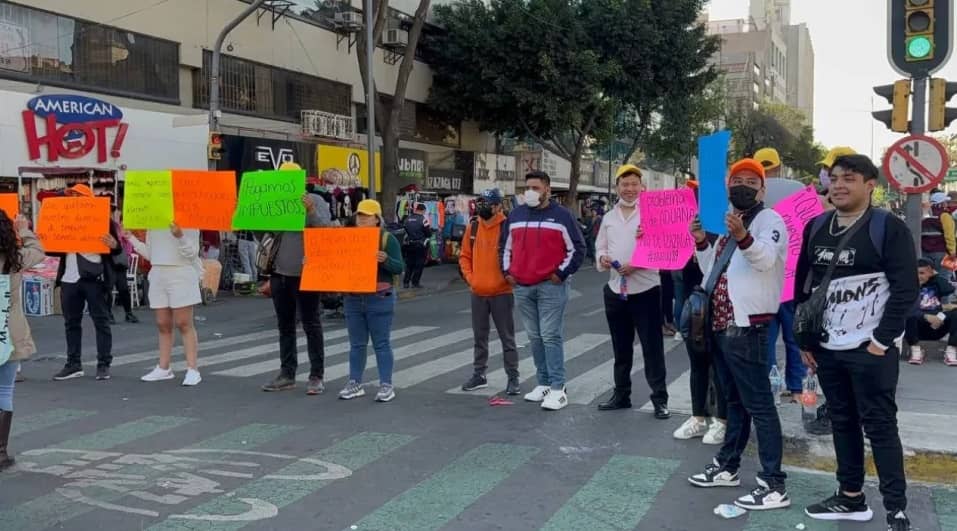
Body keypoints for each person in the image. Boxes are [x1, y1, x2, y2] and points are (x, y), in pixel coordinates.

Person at [795, 154, 918, 530]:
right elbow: (804, 286)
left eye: (849, 178)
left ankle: (896, 508)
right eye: (833, 179)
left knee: (880, 425)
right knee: (843, 422)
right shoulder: (816, 226)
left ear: (870, 185)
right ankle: (850, 497)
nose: (839, 185)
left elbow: (906, 290)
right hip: (828, 349)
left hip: (871, 350)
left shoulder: (888, 228)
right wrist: (805, 341)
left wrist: (881, 341)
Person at [687, 158, 790, 511]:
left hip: (749, 327)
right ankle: (728, 465)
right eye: (737, 180)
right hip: (720, 325)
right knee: (732, 402)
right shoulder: (732, 223)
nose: (742, 185)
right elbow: (711, 273)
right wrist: (702, 242)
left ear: (762, 189)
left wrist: (743, 236)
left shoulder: (769, 221)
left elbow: (763, 261)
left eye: (751, 180)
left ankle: (774, 483)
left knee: (760, 405)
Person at [501, 171, 586, 411]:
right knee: (534, 337)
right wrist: (507, 272)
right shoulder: (515, 215)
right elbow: (505, 247)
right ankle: (544, 382)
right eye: (527, 187)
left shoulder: (562, 216)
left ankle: (559, 388)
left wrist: (561, 273)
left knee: (550, 335)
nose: (530, 191)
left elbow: (577, 248)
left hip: (551, 286)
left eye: (536, 187)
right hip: (522, 286)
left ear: (547, 189)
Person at [594, 165, 669, 417]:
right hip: (616, 290)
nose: (629, 189)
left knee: (652, 348)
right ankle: (621, 394)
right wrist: (603, 258)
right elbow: (600, 247)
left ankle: (660, 399)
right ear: (617, 187)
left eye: (634, 184)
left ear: (642, 187)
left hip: (645, 289)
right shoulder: (609, 217)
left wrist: (636, 264)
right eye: (625, 184)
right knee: (621, 348)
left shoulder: (652, 214)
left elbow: (663, 248)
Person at [261, 183, 332, 394]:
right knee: (285, 325)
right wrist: (247, 214)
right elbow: (267, 234)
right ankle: (287, 374)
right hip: (279, 274)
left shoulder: (316, 200)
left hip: (306, 274)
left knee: (311, 324)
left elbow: (325, 231)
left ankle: (316, 376)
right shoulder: (276, 202)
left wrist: (310, 210)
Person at [51, 184, 122, 382]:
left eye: (77, 196)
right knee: (71, 322)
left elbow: (118, 249)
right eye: (71, 196)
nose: (73, 199)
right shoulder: (63, 220)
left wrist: (113, 244)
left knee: (101, 320)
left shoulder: (103, 220)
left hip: (94, 277)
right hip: (69, 278)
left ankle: (103, 364)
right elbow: (53, 247)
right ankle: (73, 364)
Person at [673, 180, 726, 445]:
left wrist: (703, 244)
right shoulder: (687, 224)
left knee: (721, 367)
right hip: (696, 303)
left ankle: (722, 421)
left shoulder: (730, 226)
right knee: (698, 363)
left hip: (724, 305)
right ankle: (698, 417)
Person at [338, 199, 405, 402]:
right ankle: (355, 382)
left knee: (381, 343)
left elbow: (399, 267)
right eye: (360, 215)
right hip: (353, 297)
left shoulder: (387, 239)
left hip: (379, 297)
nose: (362, 219)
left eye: (367, 216)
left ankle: (386, 385)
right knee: (357, 344)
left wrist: (386, 260)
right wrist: (315, 261)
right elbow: (335, 263)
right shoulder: (347, 238)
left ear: (377, 219)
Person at [755, 147, 806, 401]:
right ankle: (797, 388)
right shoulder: (798, 188)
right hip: (792, 276)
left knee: (765, 338)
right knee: (794, 337)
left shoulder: (751, 192)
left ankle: (769, 386)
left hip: (762, 277)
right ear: (779, 165)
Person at [125, 223, 203, 386]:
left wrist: (180, 236)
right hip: (159, 273)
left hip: (181, 272)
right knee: (163, 323)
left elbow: (192, 253)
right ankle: (164, 367)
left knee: (184, 323)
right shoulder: (153, 224)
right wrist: (131, 238)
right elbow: (151, 253)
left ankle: (192, 369)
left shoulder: (190, 222)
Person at [459, 188, 520, 395]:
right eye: (481, 202)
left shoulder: (507, 227)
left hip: (502, 292)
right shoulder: (473, 227)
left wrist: (510, 277)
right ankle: (479, 375)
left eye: (487, 203)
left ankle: (513, 377)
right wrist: (471, 278)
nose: (482, 207)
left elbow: (517, 256)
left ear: (497, 206)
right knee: (479, 337)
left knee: (507, 338)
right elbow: (464, 256)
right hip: (478, 292)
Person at [0, 213, 46, 471]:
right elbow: (38, 251)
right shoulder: (14, 259)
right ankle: (0, 452)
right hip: (8, 330)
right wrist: (24, 230)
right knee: (5, 390)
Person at [906, 258, 957, 366]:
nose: (919, 276)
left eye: (923, 273)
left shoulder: (935, 284)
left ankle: (951, 349)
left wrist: (936, 275)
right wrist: (925, 316)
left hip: (938, 324)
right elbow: (906, 309)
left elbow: (949, 289)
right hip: (917, 326)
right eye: (916, 273)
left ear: (930, 273)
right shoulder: (908, 287)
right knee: (908, 314)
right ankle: (915, 349)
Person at [108, 205, 138, 324]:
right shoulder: (103, 225)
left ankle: (128, 313)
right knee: (108, 289)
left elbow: (125, 244)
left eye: (111, 212)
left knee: (123, 288)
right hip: (108, 262)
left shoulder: (116, 227)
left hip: (118, 262)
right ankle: (108, 314)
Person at [920, 191, 955, 274]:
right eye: (945, 202)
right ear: (942, 203)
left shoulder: (924, 215)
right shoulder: (945, 216)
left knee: (928, 277)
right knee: (943, 278)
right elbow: (949, 236)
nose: (947, 204)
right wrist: (952, 251)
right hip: (941, 252)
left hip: (924, 252)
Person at [401, 203, 431, 289]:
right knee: (419, 264)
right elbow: (428, 233)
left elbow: (404, 230)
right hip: (420, 245)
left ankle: (406, 282)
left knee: (409, 264)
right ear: (423, 210)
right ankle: (415, 283)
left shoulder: (407, 219)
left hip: (409, 244)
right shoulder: (423, 220)